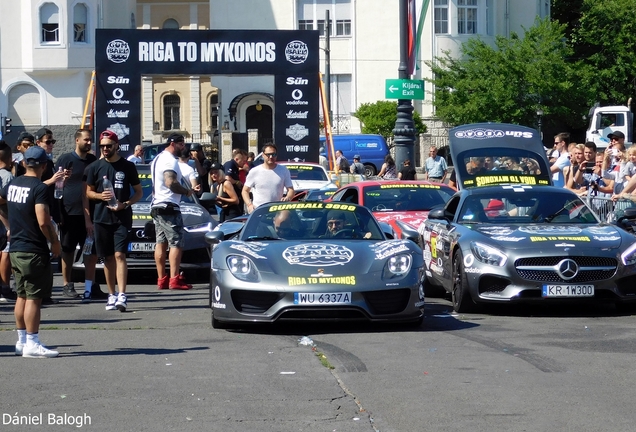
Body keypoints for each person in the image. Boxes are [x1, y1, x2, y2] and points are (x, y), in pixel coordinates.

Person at [0, 146, 61, 358]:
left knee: (21, 296)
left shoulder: (13, 184)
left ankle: (22, 341)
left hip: (16, 247)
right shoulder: (39, 188)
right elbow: (43, 221)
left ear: (25, 163)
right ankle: (33, 342)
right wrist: (54, 242)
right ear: (44, 166)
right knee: (34, 297)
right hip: (33, 248)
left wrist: (9, 226)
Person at [85, 130, 142, 312]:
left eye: (109, 145)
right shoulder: (95, 167)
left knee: (120, 255)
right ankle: (111, 294)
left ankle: (122, 294)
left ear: (116, 145)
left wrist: (124, 204)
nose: (105, 149)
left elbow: (138, 192)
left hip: (122, 217)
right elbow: (88, 192)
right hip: (101, 218)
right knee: (107, 258)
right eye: (102, 146)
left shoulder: (127, 166)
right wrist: (100, 196)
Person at [55, 128, 105, 302]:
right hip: (69, 213)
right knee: (68, 250)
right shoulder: (65, 159)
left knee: (90, 251)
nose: (89, 142)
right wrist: (59, 214)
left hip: (90, 215)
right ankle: (67, 284)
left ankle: (90, 285)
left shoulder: (92, 161)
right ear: (77, 141)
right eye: (86, 140)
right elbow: (57, 188)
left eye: (90, 140)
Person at [151, 133, 201, 290]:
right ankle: (174, 279)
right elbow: (170, 182)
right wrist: (186, 192)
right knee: (176, 243)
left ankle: (162, 279)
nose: (183, 147)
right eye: (181, 144)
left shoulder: (157, 158)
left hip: (157, 204)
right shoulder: (170, 160)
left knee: (160, 243)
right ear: (173, 143)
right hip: (169, 205)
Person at [242, 143, 294, 213]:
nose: (271, 157)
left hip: (277, 210)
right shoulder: (255, 171)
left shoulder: (283, 170)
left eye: (273, 154)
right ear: (263, 155)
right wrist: (249, 205)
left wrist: (287, 198)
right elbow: (245, 191)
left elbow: (291, 190)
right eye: (268, 155)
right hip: (258, 211)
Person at [0, 142, 15, 303]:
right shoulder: (7, 177)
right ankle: (5, 288)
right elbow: (7, 198)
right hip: (5, 223)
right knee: (6, 253)